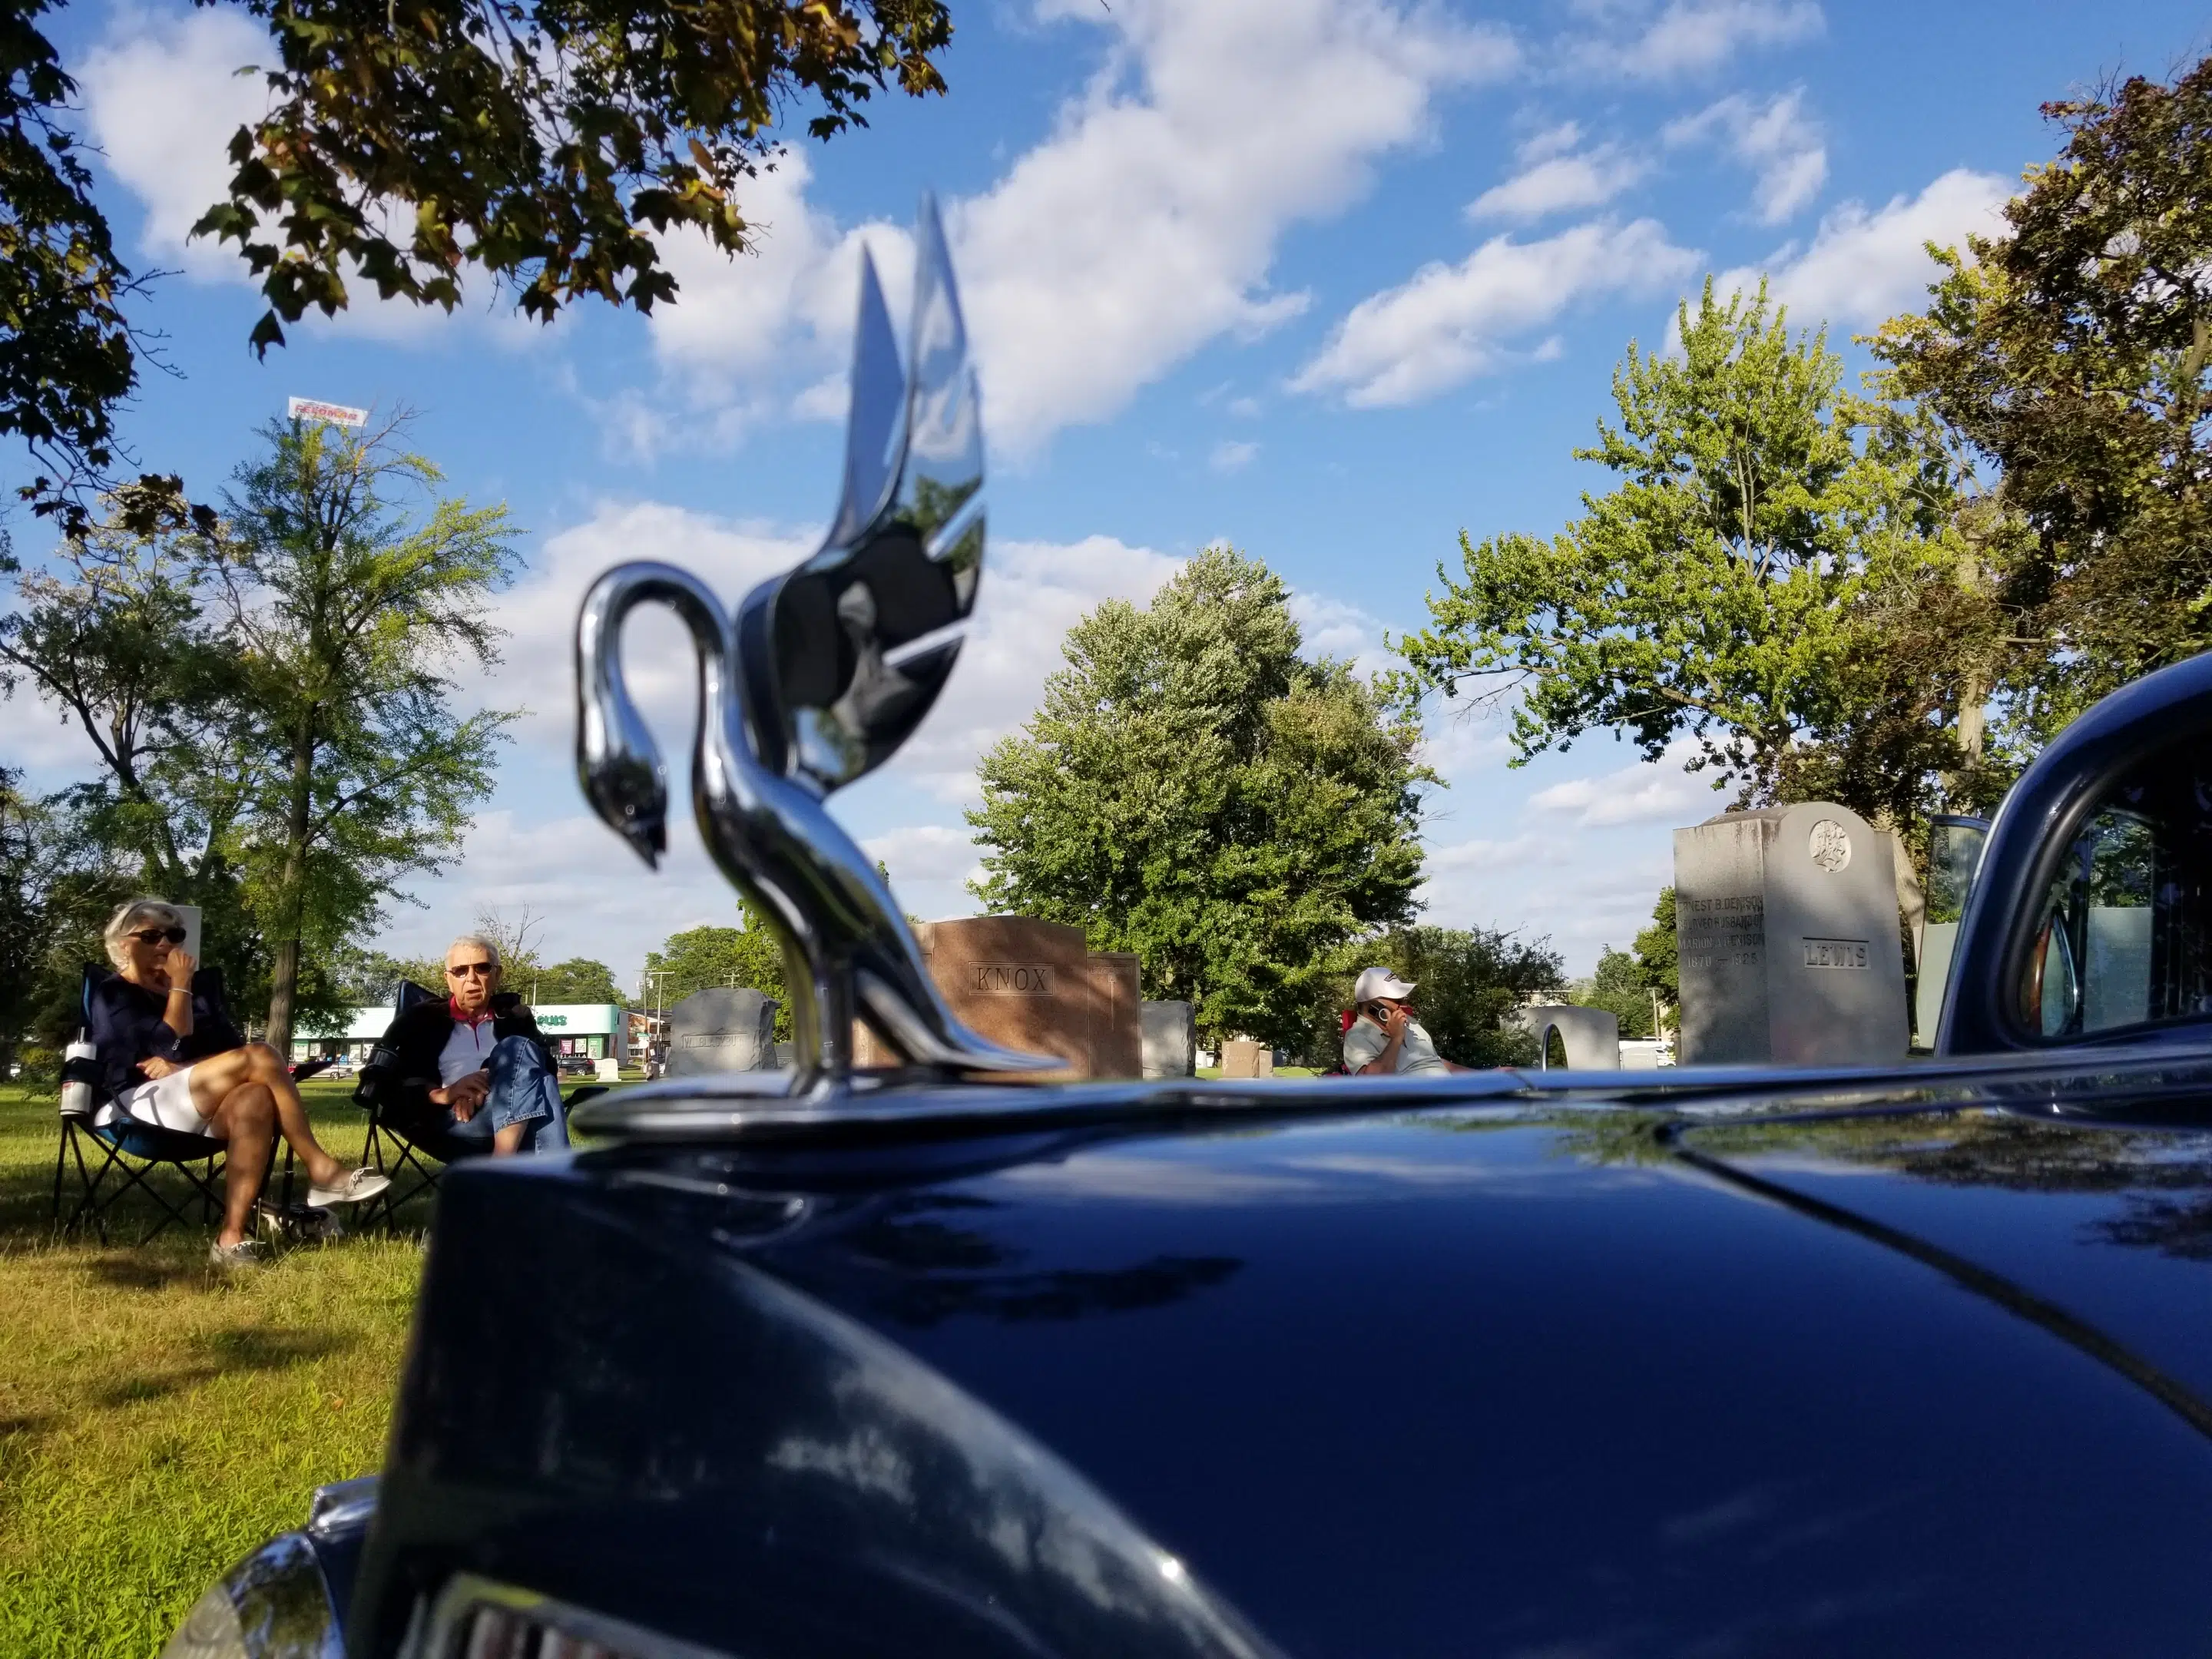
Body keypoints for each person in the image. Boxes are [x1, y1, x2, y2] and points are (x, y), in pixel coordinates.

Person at [86, 898, 391, 1268]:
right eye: (150, 936)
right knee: (261, 1054)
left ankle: (231, 1238)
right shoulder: (113, 993)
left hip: (192, 1101)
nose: (165, 944)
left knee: (254, 1097)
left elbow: (229, 1051)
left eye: (174, 935)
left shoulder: (198, 997)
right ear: (123, 945)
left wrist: (186, 1064)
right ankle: (322, 1169)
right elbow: (169, 1041)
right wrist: (182, 986)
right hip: (133, 1104)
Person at [372, 935, 569, 1156]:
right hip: (451, 1122)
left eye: (482, 968)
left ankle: (502, 1168)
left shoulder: (516, 1018)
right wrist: (441, 1094)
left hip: (507, 1109)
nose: (472, 978)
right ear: (448, 979)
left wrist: (488, 1075)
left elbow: (545, 1064)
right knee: (540, 1079)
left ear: (497, 974)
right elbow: (379, 1078)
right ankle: (522, 1172)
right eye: (460, 971)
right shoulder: (421, 1020)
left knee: (528, 1061)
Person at [1341, 966, 1474, 1077]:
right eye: (1398, 1000)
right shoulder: (1357, 1036)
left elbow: (1434, 1061)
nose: (1404, 1005)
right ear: (1373, 1006)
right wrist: (1396, 1038)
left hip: (1449, 1093)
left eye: (1404, 999)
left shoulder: (1410, 1022)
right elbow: (1371, 1085)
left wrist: (1483, 1076)